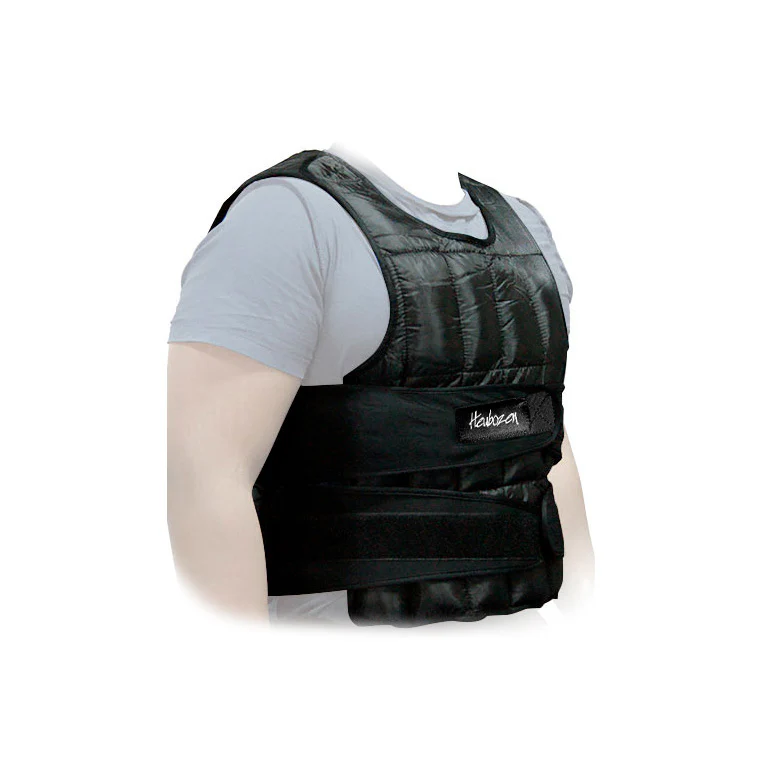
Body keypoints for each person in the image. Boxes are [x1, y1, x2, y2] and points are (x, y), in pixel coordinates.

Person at [166, 142, 594, 626]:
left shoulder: (526, 230)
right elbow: (205, 478)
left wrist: (586, 615)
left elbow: (540, 432)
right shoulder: (284, 218)